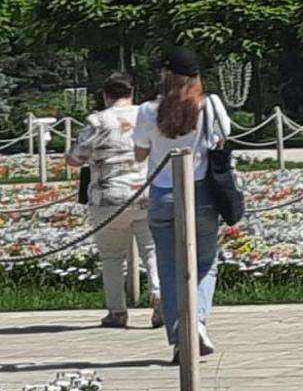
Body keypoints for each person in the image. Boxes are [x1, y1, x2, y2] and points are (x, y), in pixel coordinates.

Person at [133, 47, 230, 362]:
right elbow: (223, 138)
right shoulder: (209, 104)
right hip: (201, 193)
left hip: (161, 194)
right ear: (197, 77)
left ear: (165, 77)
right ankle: (197, 323)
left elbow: (139, 153)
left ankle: (179, 335)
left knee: (170, 267)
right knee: (204, 263)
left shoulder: (149, 111)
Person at [65, 73, 163, 330]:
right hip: (145, 192)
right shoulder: (146, 115)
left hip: (107, 197)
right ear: (132, 93)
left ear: (106, 95)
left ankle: (117, 311)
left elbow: (76, 157)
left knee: (111, 256)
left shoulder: (97, 120)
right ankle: (159, 297)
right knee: (152, 250)